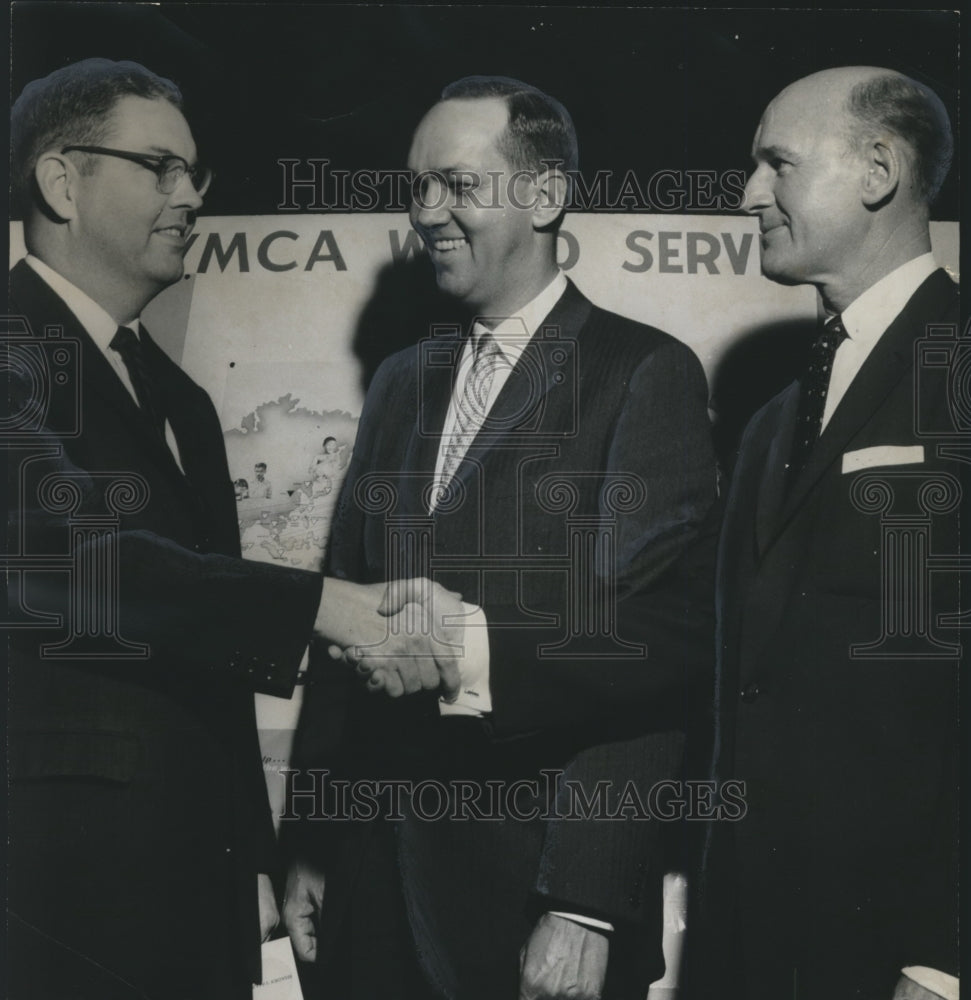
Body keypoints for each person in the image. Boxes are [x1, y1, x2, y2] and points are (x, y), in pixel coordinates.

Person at [6, 58, 456, 1000]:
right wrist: (329, 607)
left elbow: (204, 660)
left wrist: (256, 858)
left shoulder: (184, 402)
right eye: (159, 167)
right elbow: (66, 559)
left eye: (196, 174)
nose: (190, 197)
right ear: (60, 180)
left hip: (194, 886)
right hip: (56, 886)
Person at [284, 76, 717, 1000]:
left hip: (528, 904)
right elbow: (342, 610)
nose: (426, 212)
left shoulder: (643, 373)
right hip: (368, 891)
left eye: (457, 185)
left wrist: (585, 904)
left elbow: (644, 660)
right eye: (418, 186)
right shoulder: (403, 380)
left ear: (546, 194)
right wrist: (314, 843)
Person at [685, 67, 960, 1000]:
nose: (747, 193)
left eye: (776, 163)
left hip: (895, 959)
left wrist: (943, 960)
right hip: (745, 949)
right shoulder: (770, 425)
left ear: (878, 168)